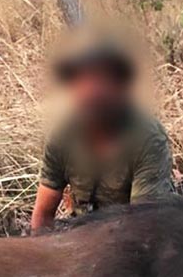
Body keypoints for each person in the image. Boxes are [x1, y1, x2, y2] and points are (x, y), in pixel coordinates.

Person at [30, 30, 174, 232]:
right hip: (81, 235)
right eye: (84, 82)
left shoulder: (148, 139)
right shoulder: (63, 134)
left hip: (129, 237)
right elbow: (43, 215)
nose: (92, 91)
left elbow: (143, 229)